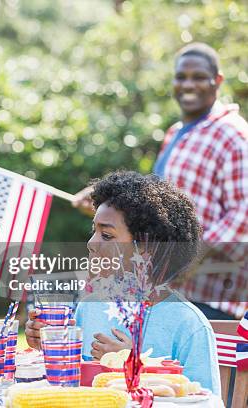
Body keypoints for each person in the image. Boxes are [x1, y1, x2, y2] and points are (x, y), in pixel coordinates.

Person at [73, 43, 248, 320]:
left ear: (218, 81)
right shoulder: (176, 133)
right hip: (164, 289)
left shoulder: (233, 134)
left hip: (210, 296)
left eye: (199, 76)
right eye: (181, 77)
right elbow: (156, 208)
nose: (188, 84)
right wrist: (108, 209)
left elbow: (244, 213)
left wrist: (190, 253)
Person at [26, 171, 221, 395]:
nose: (91, 243)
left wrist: (134, 365)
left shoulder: (188, 324)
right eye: (94, 231)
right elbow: (72, 384)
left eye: (107, 236)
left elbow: (206, 400)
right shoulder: (91, 305)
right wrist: (53, 345)